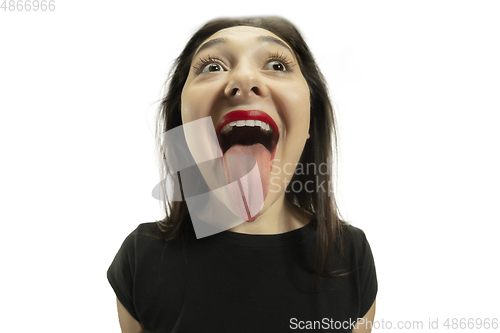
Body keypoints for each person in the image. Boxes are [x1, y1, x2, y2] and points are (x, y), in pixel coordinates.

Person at [108, 16, 377, 332]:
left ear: (309, 122)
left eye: (277, 65)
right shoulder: (141, 257)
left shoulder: (350, 255)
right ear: (183, 124)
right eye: (213, 66)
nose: (245, 79)